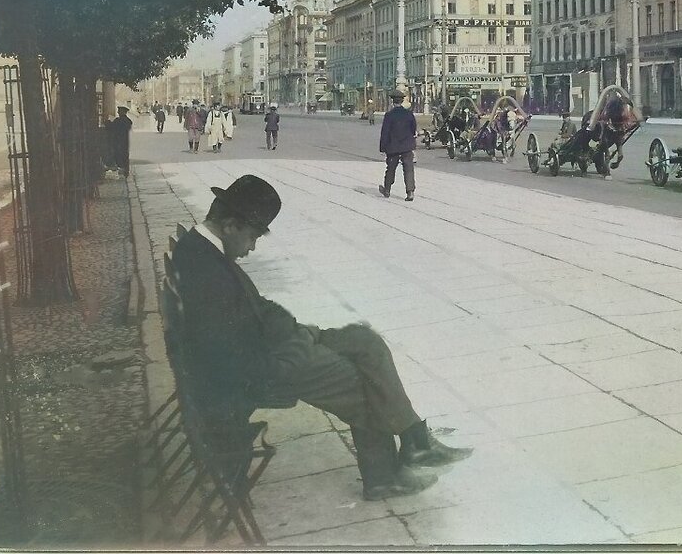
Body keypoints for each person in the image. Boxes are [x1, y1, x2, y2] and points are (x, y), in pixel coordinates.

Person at [168, 175, 470, 501]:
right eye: (253, 236)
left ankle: (415, 440)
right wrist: (299, 343)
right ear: (230, 226)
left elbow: (259, 307)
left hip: (272, 348)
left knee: (364, 340)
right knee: (363, 382)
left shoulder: (202, 251)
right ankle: (386, 475)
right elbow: (241, 362)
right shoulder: (207, 272)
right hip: (264, 371)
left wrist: (295, 329)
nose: (253, 247)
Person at [378, 90, 417, 201]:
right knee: (408, 168)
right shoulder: (409, 114)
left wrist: (383, 147)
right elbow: (413, 129)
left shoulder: (389, 115)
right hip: (407, 146)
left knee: (390, 168)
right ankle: (410, 192)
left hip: (393, 146)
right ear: (402, 101)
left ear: (392, 101)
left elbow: (385, 132)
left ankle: (387, 189)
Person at [107, 106, 133, 176]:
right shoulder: (128, 121)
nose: (118, 112)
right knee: (125, 155)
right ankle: (126, 170)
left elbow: (111, 127)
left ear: (122, 112)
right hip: (125, 141)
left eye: (119, 111)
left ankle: (122, 169)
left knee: (118, 155)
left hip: (118, 141)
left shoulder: (118, 120)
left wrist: (108, 121)